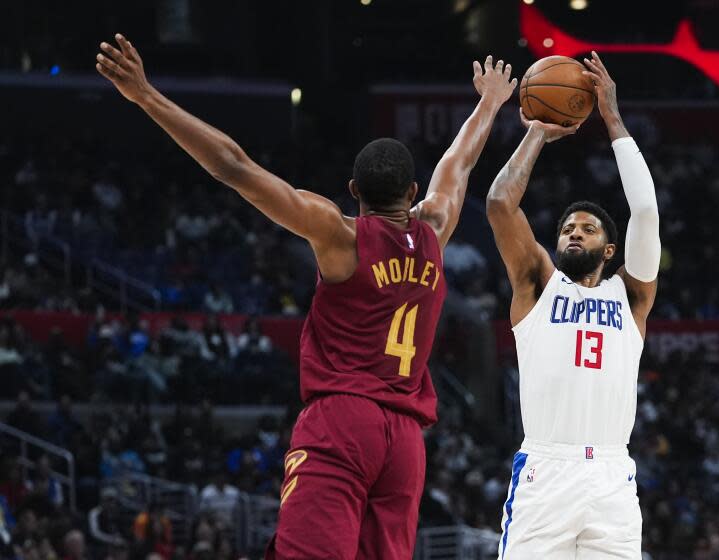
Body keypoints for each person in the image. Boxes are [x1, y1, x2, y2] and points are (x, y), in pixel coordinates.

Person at [95, 33, 517, 559]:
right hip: (406, 441)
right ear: (412, 194)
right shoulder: (434, 228)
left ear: (354, 191)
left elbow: (234, 166)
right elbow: (457, 167)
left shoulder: (340, 234)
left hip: (343, 420)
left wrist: (146, 96)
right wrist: (489, 104)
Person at [486, 51, 660, 559]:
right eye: (566, 228)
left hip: (611, 476)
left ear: (611, 250)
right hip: (547, 471)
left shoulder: (630, 297)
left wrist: (612, 117)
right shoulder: (538, 286)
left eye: (587, 228)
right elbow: (499, 205)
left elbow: (645, 210)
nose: (574, 232)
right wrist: (537, 132)